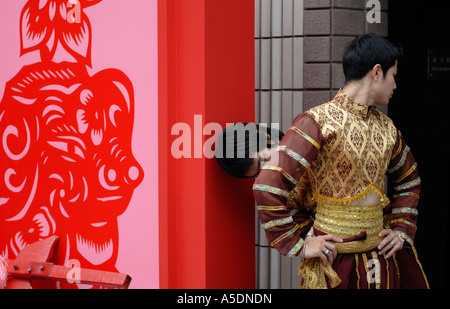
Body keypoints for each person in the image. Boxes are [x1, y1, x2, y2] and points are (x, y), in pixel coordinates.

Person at [252, 33, 429, 289]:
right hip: (334, 261)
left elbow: (409, 179)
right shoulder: (316, 121)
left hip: (381, 259)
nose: (395, 85)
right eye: (394, 75)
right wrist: (300, 245)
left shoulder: (388, 128)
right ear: (377, 72)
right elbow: (267, 186)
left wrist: (401, 229)